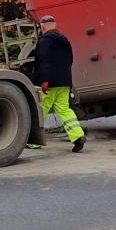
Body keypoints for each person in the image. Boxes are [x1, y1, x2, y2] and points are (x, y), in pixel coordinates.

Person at [32, 15, 86, 152]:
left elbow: (44, 61)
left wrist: (44, 80)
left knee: (41, 109)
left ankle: (33, 141)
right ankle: (78, 136)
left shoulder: (44, 41)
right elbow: (70, 60)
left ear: (43, 26)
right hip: (65, 81)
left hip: (49, 83)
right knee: (64, 109)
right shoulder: (64, 40)